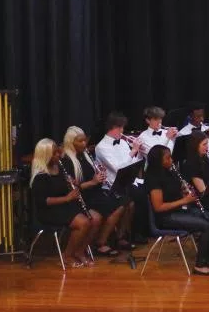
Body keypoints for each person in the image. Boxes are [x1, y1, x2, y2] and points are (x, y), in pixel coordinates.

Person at [143, 144, 209, 276]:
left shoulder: (170, 172)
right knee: (207, 226)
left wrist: (184, 192)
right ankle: (200, 265)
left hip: (179, 210)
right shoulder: (153, 179)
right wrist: (184, 201)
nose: (171, 160)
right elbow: (158, 207)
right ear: (158, 161)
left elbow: (174, 193)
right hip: (165, 218)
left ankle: (208, 257)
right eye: (168, 158)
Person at [30, 138, 102, 268]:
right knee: (83, 223)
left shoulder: (60, 167)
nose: (58, 155)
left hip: (66, 205)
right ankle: (67, 255)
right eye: (54, 153)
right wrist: (67, 198)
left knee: (95, 219)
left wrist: (72, 183)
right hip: (50, 210)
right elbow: (44, 201)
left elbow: (66, 188)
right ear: (46, 156)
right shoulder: (40, 176)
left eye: (58, 152)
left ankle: (80, 251)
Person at [61, 126, 126, 257]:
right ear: (71, 142)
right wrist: (93, 182)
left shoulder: (85, 155)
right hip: (81, 197)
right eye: (80, 141)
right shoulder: (66, 161)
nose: (84, 144)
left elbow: (91, 176)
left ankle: (100, 241)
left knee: (121, 203)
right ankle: (85, 247)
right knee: (96, 217)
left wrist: (99, 172)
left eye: (85, 140)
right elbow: (73, 188)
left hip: (94, 193)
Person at [94, 111, 145, 246]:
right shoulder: (101, 147)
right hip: (112, 186)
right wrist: (133, 151)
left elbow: (132, 163)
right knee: (134, 200)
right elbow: (118, 168)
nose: (123, 131)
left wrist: (139, 153)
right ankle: (124, 236)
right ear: (113, 127)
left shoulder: (122, 143)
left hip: (126, 182)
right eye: (120, 127)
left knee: (143, 194)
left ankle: (124, 236)